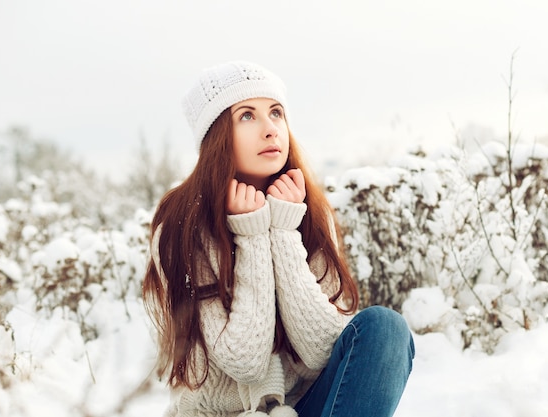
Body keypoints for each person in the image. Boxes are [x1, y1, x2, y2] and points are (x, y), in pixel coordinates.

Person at [142, 61, 415, 417]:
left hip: (308, 407)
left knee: (385, 329)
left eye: (276, 113)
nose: (270, 129)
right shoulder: (183, 227)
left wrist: (283, 231)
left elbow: (321, 350)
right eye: (247, 116)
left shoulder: (305, 212)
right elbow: (245, 362)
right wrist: (252, 236)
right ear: (216, 136)